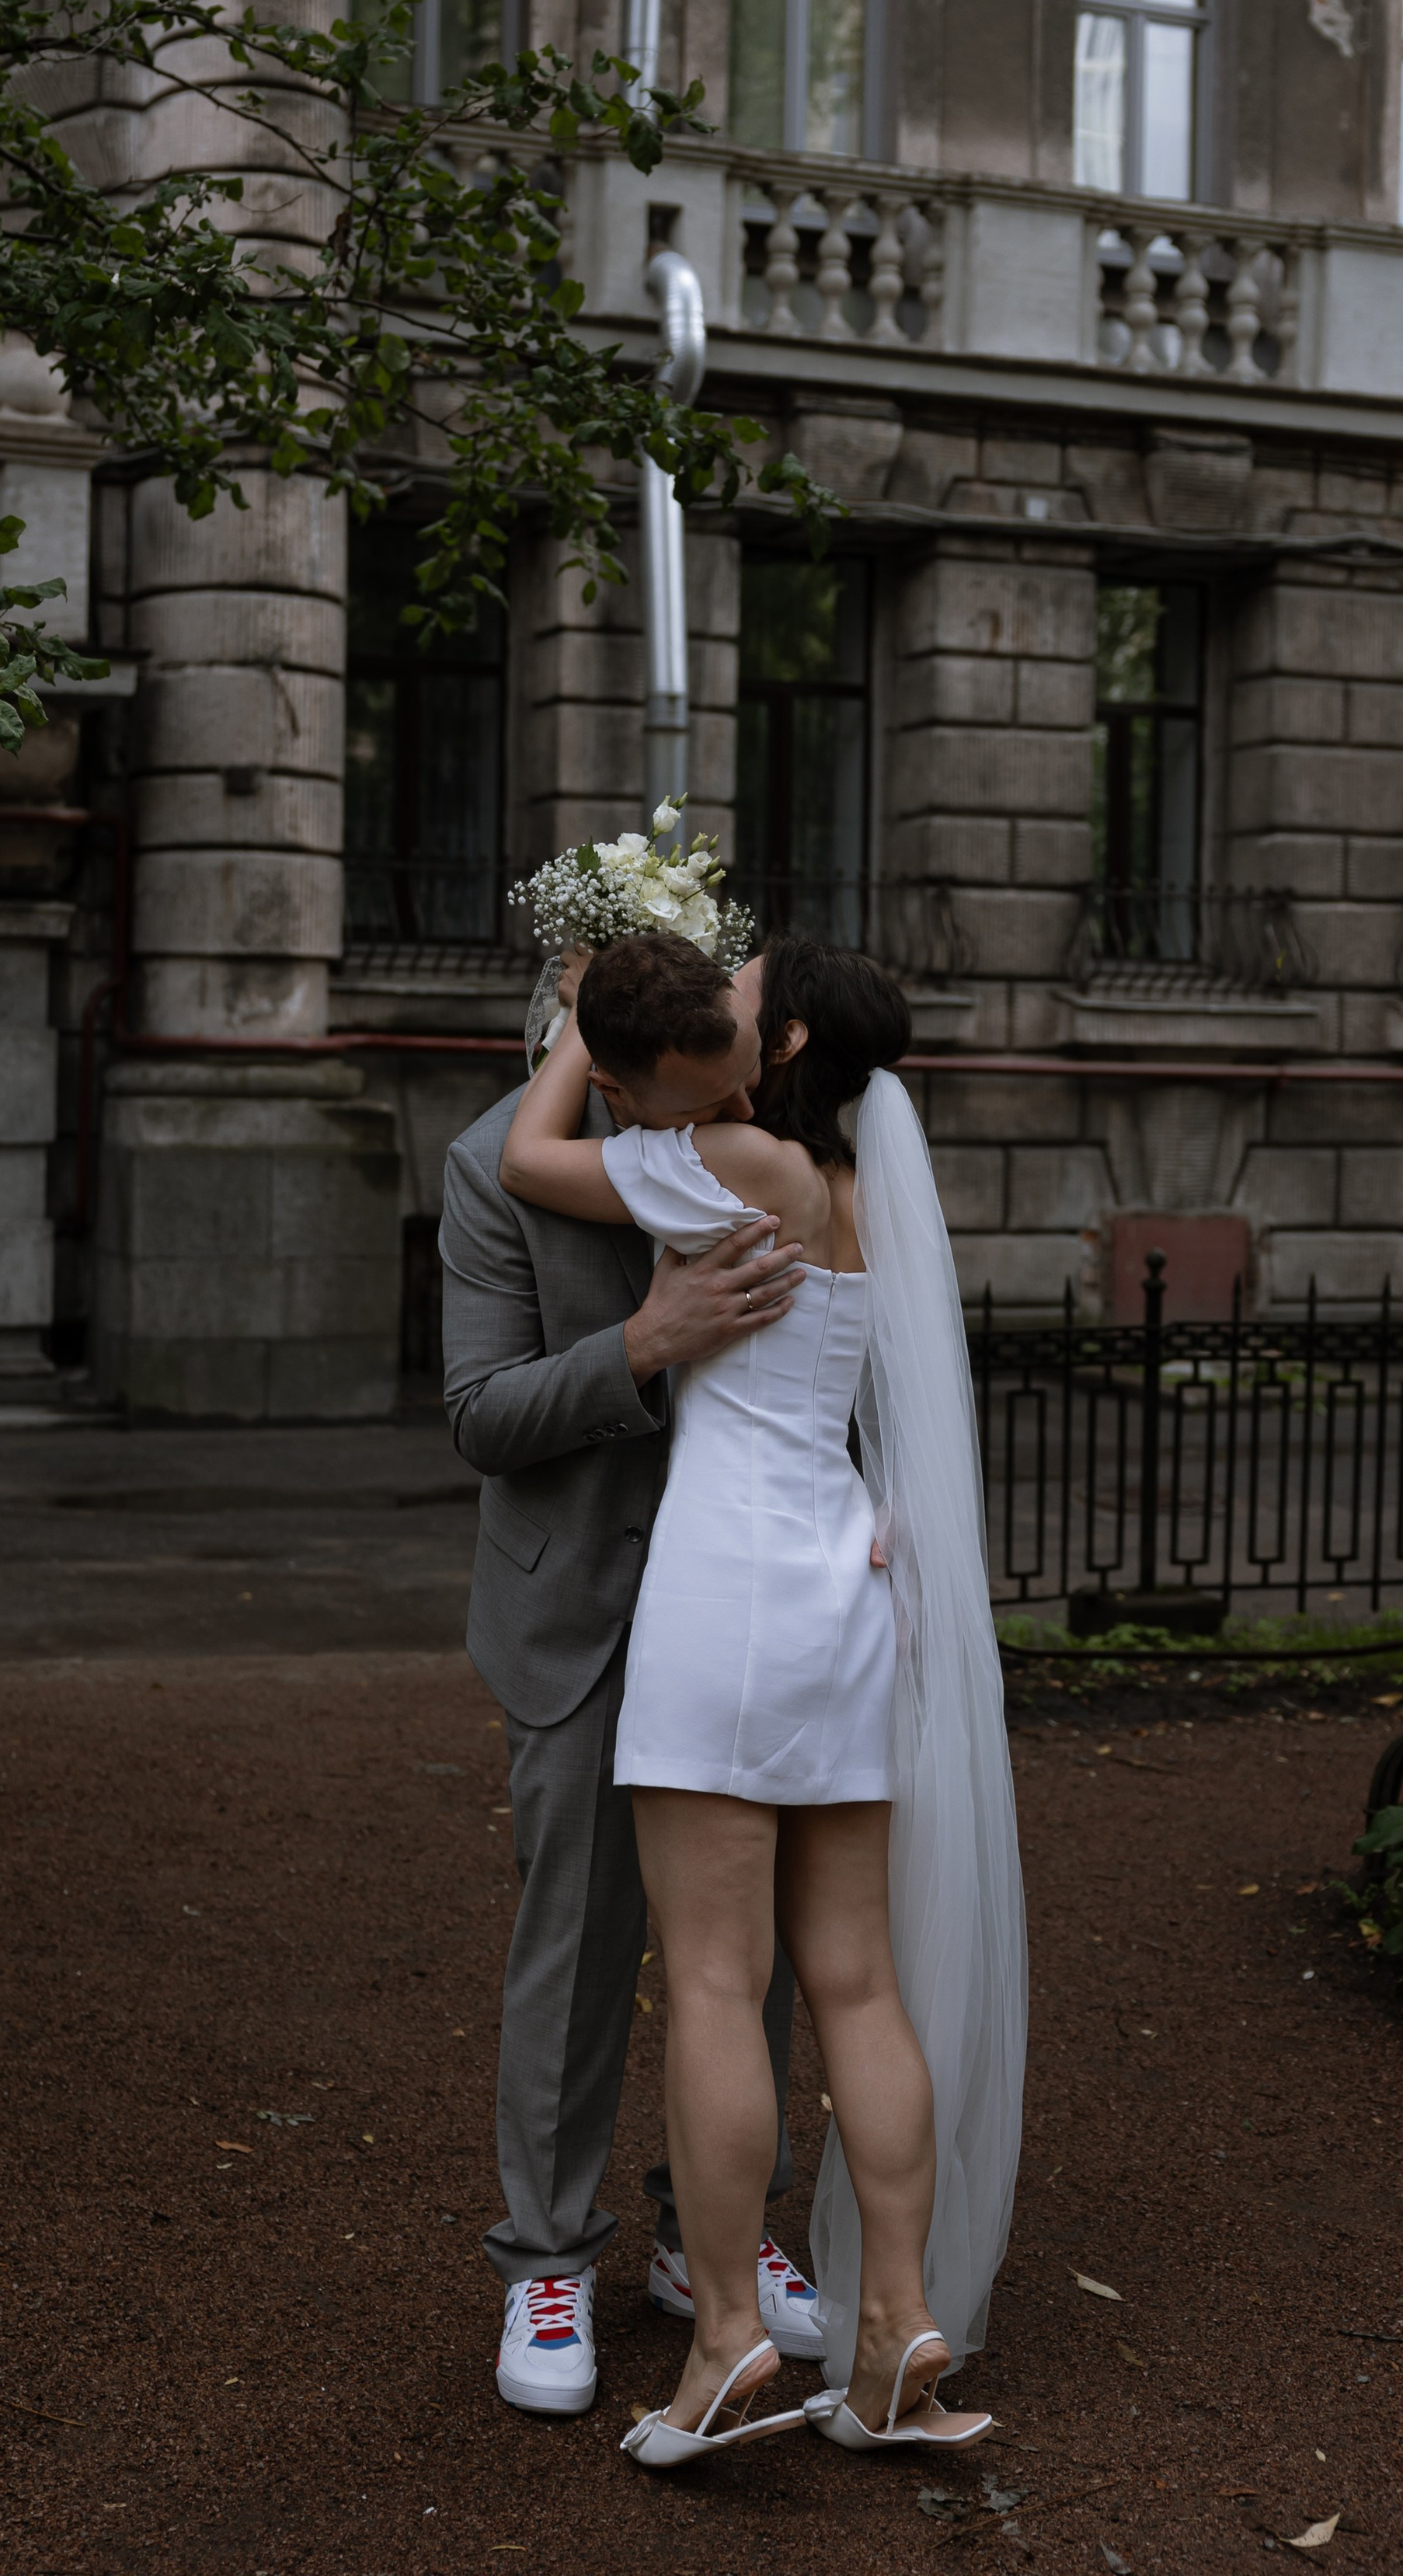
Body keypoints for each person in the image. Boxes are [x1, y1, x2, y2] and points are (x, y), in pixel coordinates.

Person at [500, 933, 1027, 2467]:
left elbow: (533, 1159)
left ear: (780, 1042)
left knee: (717, 1985)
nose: (725, 995)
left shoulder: (726, 1167)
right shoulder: (864, 1189)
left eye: (742, 991)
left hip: (726, 1594)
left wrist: (576, 1016)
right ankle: (897, 2327)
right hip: (846, 1588)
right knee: (853, 1985)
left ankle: (726, 2333)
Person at [439, 939, 827, 2417]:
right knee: (580, 1941)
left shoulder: (761, 1130)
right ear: (608, 1079)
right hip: (582, 1606)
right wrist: (643, 1345)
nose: (728, 1114)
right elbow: (481, 1417)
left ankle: (708, 2236)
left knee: (750, 1940)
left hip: (739, 1593)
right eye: (692, 1098)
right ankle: (547, 2258)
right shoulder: (494, 1167)